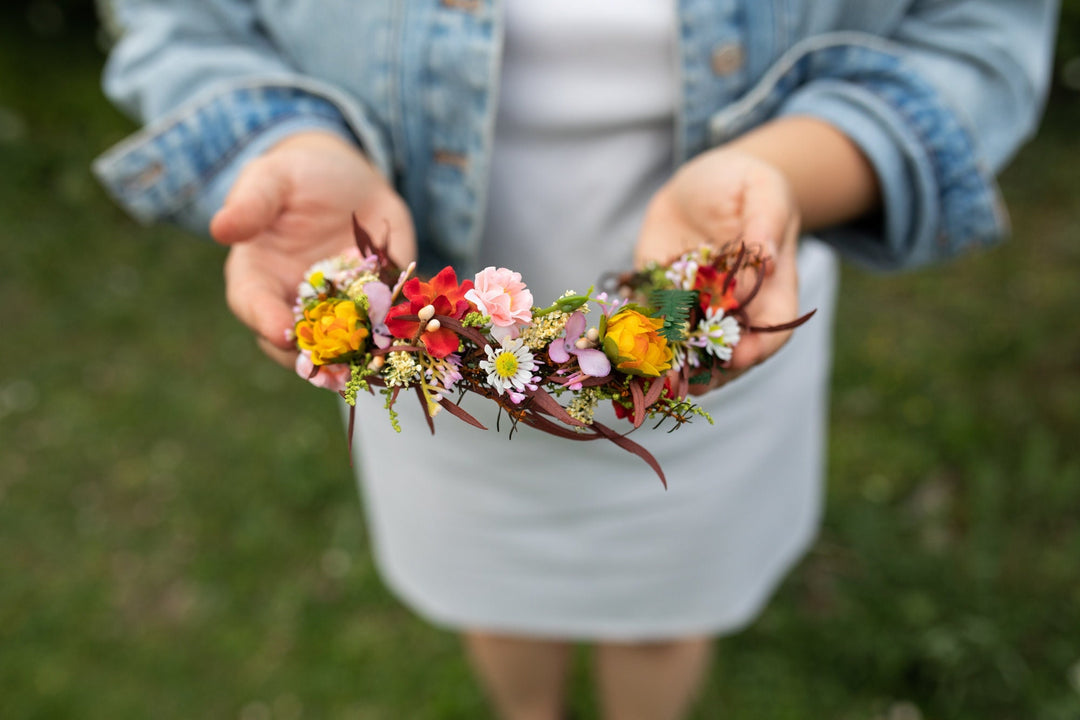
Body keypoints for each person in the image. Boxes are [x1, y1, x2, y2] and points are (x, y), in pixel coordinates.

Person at [93, 2, 1057, 718]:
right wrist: (283, 139)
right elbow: (182, 19)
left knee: (665, 607)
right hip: (439, 349)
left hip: (705, 309)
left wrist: (782, 175)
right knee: (497, 591)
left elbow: (977, 35)